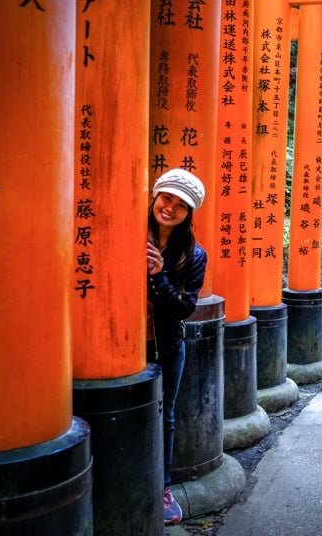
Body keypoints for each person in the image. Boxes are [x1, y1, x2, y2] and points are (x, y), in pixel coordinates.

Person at [146, 168, 207, 526]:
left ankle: (163, 487)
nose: (170, 207)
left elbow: (185, 307)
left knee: (166, 414)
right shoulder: (127, 233)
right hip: (123, 342)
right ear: (155, 197)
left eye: (181, 205)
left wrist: (159, 276)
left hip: (167, 343)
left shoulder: (193, 255)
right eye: (166, 198)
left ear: (189, 214)